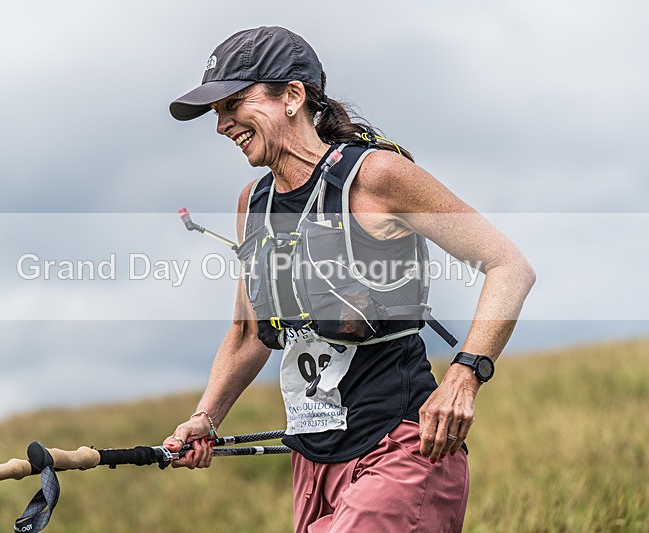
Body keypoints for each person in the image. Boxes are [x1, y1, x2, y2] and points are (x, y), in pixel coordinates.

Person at [163, 26, 535, 532]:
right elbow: (249, 333)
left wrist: (464, 376)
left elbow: (509, 266)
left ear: (292, 96)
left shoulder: (377, 177)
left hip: (400, 450)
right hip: (313, 462)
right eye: (216, 112)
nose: (222, 124)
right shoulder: (253, 204)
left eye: (233, 104)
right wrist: (205, 418)